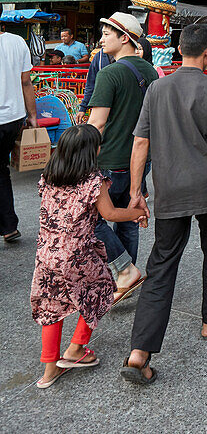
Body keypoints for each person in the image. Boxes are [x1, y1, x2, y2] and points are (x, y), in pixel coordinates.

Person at [122, 24, 207, 385]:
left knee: (160, 266)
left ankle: (139, 352)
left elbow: (140, 143)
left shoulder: (157, 88)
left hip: (169, 189)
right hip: (206, 189)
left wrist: (136, 190)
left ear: (179, 50)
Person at [31, 124, 147, 388]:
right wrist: (137, 214)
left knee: (52, 306)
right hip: (77, 253)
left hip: (46, 254)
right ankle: (76, 350)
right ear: (91, 152)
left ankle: (49, 371)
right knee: (101, 289)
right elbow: (110, 214)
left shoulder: (49, 176)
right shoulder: (93, 180)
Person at [87, 12, 157, 302]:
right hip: (142, 159)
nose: (101, 39)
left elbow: (97, 124)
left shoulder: (109, 73)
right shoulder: (151, 72)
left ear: (124, 37)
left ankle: (124, 270)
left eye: (107, 33)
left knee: (89, 218)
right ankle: (125, 279)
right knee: (128, 216)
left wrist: (80, 157)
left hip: (111, 161)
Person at [0, 22, 37, 243]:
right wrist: (32, 114)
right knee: (2, 169)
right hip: (13, 118)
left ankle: (8, 225)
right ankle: (9, 226)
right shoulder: (17, 42)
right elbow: (26, 82)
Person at [76, 46, 112, 123]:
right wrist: (83, 108)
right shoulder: (99, 57)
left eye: (107, 34)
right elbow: (90, 84)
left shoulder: (130, 58)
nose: (102, 40)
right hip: (103, 103)